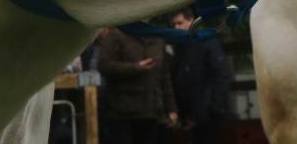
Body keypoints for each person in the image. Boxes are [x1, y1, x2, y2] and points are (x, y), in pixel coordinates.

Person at [97, 26, 178, 144]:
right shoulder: (116, 34)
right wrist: (135, 67)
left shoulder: (157, 38)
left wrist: (171, 108)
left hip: (151, 111)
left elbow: (164, 76)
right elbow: (104, 65)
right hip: (123, 112)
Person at [168, 8, 233, 144]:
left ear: (191, 21)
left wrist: (214, 107)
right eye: (174, 25)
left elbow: (221, 74)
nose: (176, 27)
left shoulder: (207, 42)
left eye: (180, 23)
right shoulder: (180, 47)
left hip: (208, 113)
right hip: (191, 114)